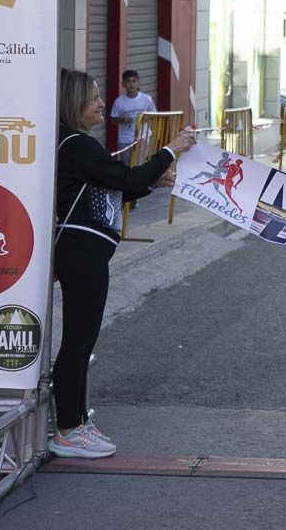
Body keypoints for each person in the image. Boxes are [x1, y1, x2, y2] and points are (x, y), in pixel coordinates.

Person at [51, 69, 195, 458]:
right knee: (78, 343)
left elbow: (117, 190)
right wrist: (171, 149)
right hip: (81, 252)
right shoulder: (76, 145)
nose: (102, 103)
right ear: (73, 104)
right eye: (94, 97)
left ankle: (77, 421)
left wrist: (152, 181)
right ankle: (67, 429)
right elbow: (126, 177)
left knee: (83, 342)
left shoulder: (78, 145)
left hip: (89, 251)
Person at [109, 69, 156, 164]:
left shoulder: (147, 99)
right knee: (127, 166)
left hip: (142, 138)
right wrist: (122, 119)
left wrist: (146, 118)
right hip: (125, 139)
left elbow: (154, 115)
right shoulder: (119, 101)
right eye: (128, 82)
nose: (131, 84)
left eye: (134, 81)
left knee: (139, 165)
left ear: (139, 83)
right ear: (123, 84)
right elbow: (113, 119)